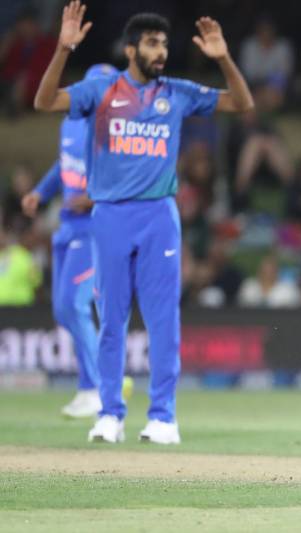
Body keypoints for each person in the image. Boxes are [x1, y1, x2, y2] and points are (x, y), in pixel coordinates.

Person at [33, 2, 254, 444]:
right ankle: (110, 413)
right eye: (152, 44)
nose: (161, 52)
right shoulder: (102, 91)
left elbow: (241, 103)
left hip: (159, 216)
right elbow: (43, 102)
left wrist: (223, 58)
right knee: (111, 318)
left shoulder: (176, 91)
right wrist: (62, 50)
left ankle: (163, 418)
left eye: (164, 44)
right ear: (130, 49)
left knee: (162, 320)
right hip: (111, 215)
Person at [22, 63, 117, 419]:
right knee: (64, 310)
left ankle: (96, 389)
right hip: (66, 227)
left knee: (74, 304)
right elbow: (64, 163)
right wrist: (40, 192)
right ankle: (91, 384)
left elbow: (128, 178)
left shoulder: (113, 130)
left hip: (94, 228)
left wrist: (91, 198)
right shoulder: (71, 121)